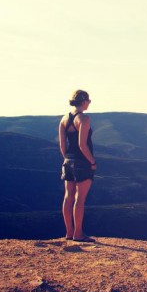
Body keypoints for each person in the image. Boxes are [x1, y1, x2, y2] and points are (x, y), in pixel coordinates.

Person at [58, 89, 97, 242]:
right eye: (89, 100)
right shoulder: (84, 119)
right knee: (79, 199)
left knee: (68, 197)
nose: (89, 103)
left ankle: (69, 232)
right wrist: (92, 161)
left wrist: (67, 159)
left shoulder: (63, 119)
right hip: (82, 162)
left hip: (67, 161)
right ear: (83, 101)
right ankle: (78, 234)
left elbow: (62, 145)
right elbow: (82, 144)